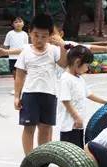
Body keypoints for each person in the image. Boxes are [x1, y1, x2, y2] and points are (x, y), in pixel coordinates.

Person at [14, 14, 67, 155]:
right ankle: (29, 158)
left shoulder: (53, 50)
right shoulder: (26, 51)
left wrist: (62, 46)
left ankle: (42, 158)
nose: (39, 39)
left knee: (45, 128)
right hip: (30, 94)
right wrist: (16, 96)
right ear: (30, 32)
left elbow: (64, 64)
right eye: (36, 35)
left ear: (50, 36)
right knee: (29, 127)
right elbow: (19, 75)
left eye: (44, 36)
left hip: (49, 94)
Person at [58, 46, 107, 167]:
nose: (87, 69)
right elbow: (65, 100)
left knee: (76, 149)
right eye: (86, 65)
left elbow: (89, 94)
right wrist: (76, 117)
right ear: (77, 62)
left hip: (78, 124)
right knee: (70, 151)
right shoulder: (65, 78)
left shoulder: (79, 78)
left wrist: (105, 101)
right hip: (69, 124)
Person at [0, 16, 29, 84]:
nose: (18, 23)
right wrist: (6, 53)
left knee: (22, 74)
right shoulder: (10, 34)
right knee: (15, 74)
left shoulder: (25, 34)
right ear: (12, 24)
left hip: (22, 57)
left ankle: (22, 88)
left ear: (23, 23)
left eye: (20, 21)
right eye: (16, 22)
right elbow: (6, 45)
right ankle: (16, 87)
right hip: (12, 57)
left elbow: (26, 47)